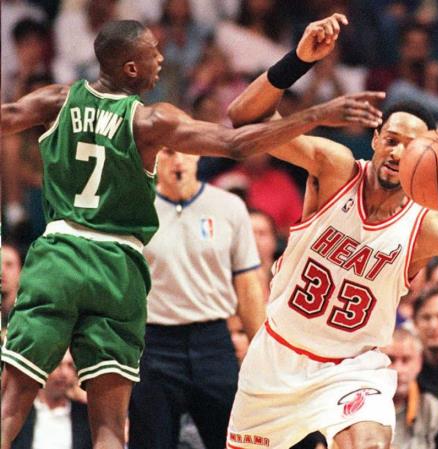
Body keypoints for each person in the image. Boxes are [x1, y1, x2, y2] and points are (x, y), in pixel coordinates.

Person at [0, 17, 388, 449]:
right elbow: (236, 143)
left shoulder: (59, 99)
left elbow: (7, 118)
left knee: (12, 399)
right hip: (116, 266)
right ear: (131, 68)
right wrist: (317, 114)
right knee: (108, 424)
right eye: (152, 52)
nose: (161, 58)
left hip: (59, 253)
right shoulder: (151, 121)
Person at [225, 14, 438, 449]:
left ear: (427, 155)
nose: (399, 152)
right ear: (375, 139)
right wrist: (298, 61)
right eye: (392, 139)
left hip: (352, 369)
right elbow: (242, 120)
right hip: (275, 359)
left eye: (412, 146)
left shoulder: (431, 227)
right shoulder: (334, 169)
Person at [128, 148, 265, 449]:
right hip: (154, 344)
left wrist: (263, 353)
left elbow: (248, 285)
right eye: (167, 151)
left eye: (185, 150)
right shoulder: (134, 208)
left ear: (199, 154)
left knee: (234, 441)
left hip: (213, 340)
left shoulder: (229, 206)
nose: (178, 160)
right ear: (154, 156)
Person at [381, 327, 438, 449]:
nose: (398, 370)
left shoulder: (436, 408)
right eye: (391, 359)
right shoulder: (360, 405)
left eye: (406, 360)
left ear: (419, 361)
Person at [12, 351, 92, 449]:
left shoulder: (86, 416)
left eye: (70, 366)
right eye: (57, 364)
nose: (64, 373)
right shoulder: (19, 412)